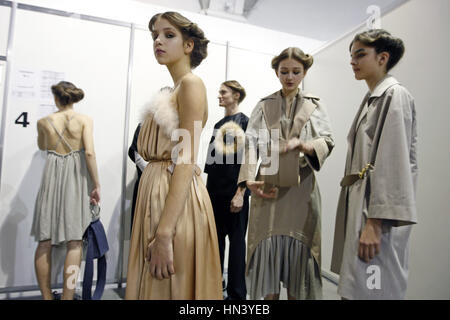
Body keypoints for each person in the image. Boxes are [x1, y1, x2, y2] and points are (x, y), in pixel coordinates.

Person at [125, 11, 222, 300]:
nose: (158, 40)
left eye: (168, 35)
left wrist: (165, 233)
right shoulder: (173, 90)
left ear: (188, 45)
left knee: (169, 287)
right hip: (156, 194)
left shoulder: (191, 84)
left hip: (174, 200)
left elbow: (186, 157)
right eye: (155, 34)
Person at [237, 47, 334, 300]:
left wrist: (305, 145)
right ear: (276, 72)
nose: (289, 77)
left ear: (305, 72)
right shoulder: (264, 105)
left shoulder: (315, 106)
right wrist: (247, 181)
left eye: (296, 72)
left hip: (301, 192)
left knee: (298, 269)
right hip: (268, 188)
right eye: (284, 71)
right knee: (267, 259)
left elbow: (327, 141)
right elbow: (250, 145)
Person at [331, 29, 418, 300]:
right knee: (358, 288)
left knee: (374, 289)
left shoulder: (395, 95)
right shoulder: (374, 97)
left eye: (360, 54)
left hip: (375, 214)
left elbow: (394, 162)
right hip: (363, 205)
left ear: (382, 58)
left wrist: (375, 223)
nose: (352, 61)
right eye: (351, 55)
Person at [31, 81, 101, 300]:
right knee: (75, 241)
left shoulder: (43, 122)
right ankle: (68, 296)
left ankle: (46, 296)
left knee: (44, 240)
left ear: (56, 98)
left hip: (52, 175)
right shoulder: (84, 120)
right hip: (76, 177)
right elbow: (89, 153)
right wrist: (96, 184)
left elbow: (43, 147)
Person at [204, 80, 250, 300]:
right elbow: (211, 165)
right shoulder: (218, 124)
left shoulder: (246, 122)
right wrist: (205, 194)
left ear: (236, 95)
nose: (219, 96)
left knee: (237, 244)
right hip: (214, 193)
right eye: (219, 92)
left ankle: (237, 295)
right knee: (215, 243)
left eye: (223, 92)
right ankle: (214, 288)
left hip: (235, 192)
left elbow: (250, 161)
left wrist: (240, 193)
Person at [128, 122, 148, 231]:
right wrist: (153, 173)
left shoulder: (178, 125)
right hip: (144, 186)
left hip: (169, 187)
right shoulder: (145, 124)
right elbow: (136, 154)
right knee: (141, 229)